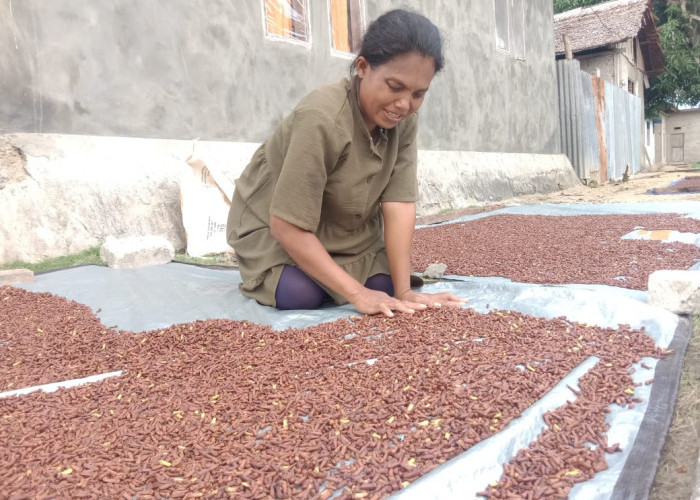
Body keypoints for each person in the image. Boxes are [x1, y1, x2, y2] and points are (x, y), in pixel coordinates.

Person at [227, 8, 465, 317]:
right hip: (278, 226)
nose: (405, 104)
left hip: (349, 230)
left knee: (386, 287)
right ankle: (327, 278)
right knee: (300, 294)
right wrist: (357, 294)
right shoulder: (321, 119)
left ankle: (350, 278)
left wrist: (405, 291)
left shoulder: (403, 120)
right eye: (394, 87)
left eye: (419, 94)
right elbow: (286, 225)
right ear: (363, 67)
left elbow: (399, 204)